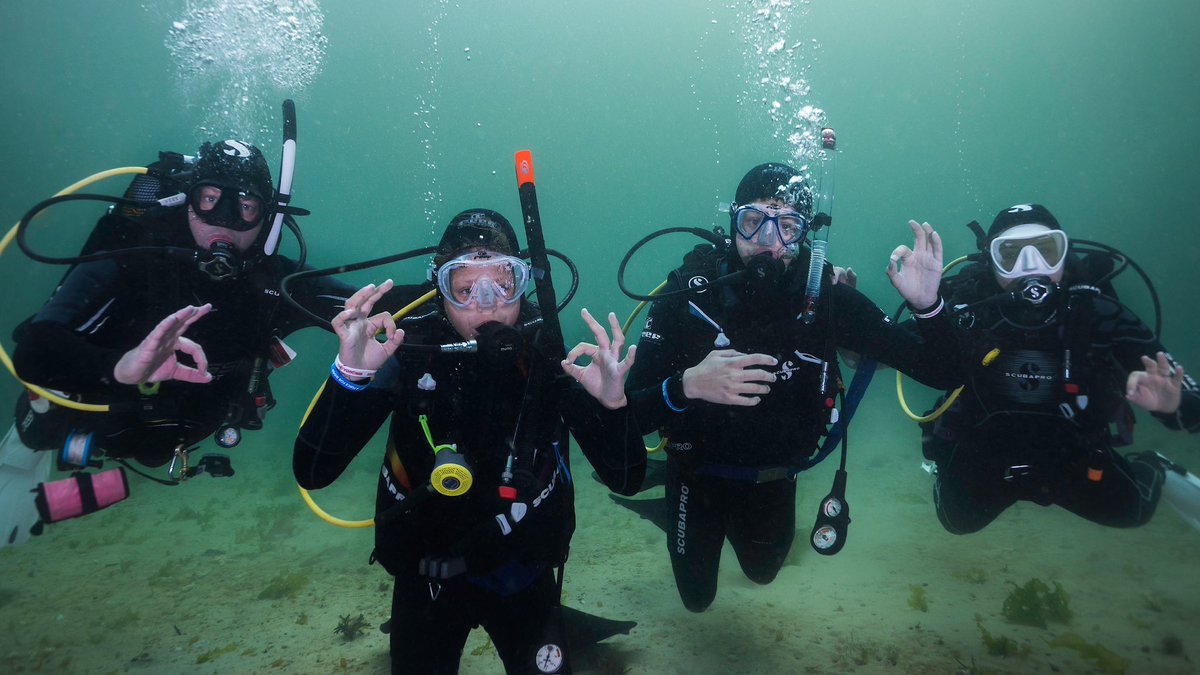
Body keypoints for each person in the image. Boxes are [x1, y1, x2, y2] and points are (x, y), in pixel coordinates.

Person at [293, 208, 645, 674]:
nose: (486, 305)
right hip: (425, 581)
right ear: (439, 291)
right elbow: (313, 472)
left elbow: (627, 478)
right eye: (464, 289)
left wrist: (614, 409)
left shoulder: (547, 355)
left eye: (503, 285)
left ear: (524, 284)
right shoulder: (407, 350)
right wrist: (350, 376)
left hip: (523, 576)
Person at [622, 162, 965, 612]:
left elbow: (943, 371)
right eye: (753, 221)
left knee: (762, 571)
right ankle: (670, 503)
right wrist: (686, 386)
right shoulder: (688, 295)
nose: (768, 242)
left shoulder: (827, 299)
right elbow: (630, 415)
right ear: (732, 223)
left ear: (806, 234)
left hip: (775, 480)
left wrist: (928, 307)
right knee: (696, 600)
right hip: (694, 475)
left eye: (787, 226)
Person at [0, 139, 351, 547]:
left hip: (181, 435)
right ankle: (24, 455)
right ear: (187, 201)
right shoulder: (132, 258)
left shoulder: (276, 284)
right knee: (42, 430)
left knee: (150, 457)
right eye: (210, 199)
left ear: (267, 217)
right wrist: (119, 366)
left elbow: (375, 306)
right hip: (97, 420)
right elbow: (35, 351)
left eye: (245, 207)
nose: (224, 221)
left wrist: (420, 297)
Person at [918, 203, 1200, 534]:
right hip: (984, 451)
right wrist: (867, 328)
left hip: (1073, 453)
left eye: (1045, 250)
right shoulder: (967, 311)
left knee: (1132, 511)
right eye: (1011, 254)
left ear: (1064, 254)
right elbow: (894, 352)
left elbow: (1193, 409)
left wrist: (1174, 404)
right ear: (991, 261)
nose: (1030, 266)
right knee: (956, 521)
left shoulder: (1099, 314)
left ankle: (1156, 468)